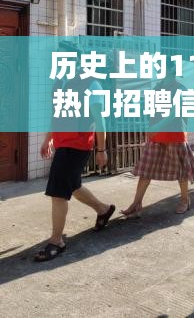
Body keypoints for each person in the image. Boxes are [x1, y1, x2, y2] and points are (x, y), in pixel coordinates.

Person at [35, 41, 115, 262]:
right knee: (73, 185)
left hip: (77, 145)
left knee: (58, 192)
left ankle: (56, 241)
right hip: (63, 143)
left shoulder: (91, 83)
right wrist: (48, 139)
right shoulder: (60, 82)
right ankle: (103, 209)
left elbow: (100, 121)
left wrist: (101, 149)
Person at [122, 63, 194, 217]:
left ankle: (185, 200)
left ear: (171, 70)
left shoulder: (180, 89)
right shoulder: (158, 87)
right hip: (156, 135)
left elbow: (175, 111)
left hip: (175, 135)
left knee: (181, 171)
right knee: (146, 170)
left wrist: (157, 126)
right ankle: (136, 203)